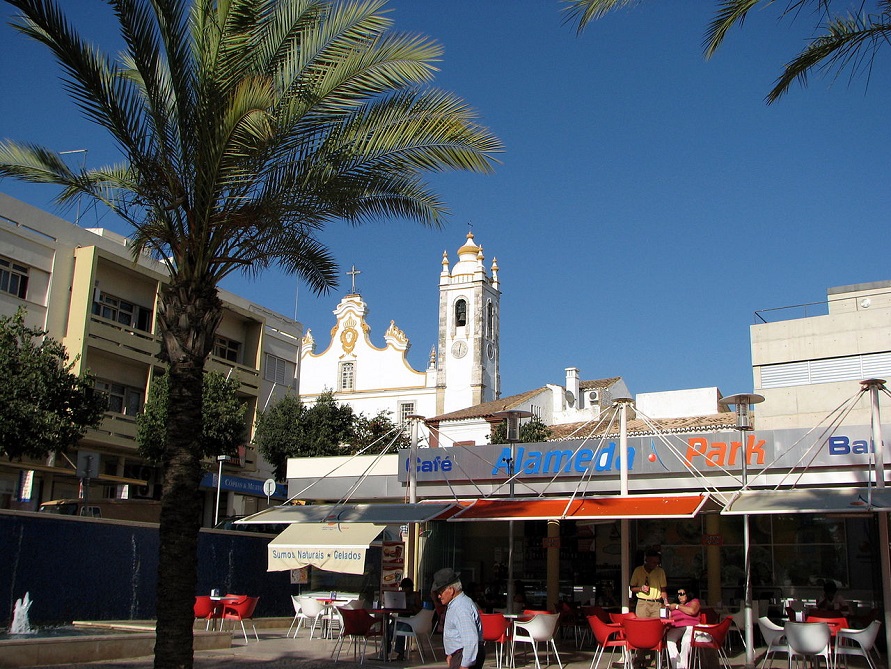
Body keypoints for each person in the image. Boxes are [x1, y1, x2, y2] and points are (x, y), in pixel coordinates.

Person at [431, 567, 484, 669]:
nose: (439, 596)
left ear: (451, 590)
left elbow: (470, 640)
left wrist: (464, 665)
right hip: (460, 654)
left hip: (464, 656)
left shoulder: (461, 608)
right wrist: (452, 654)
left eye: (440, 592)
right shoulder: (457, 604)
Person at [666, 586, 703, 669]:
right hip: (677, 627)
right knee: (669, 639)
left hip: (691, 626)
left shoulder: (694, 601)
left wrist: (677, 606)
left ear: (688, 594)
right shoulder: (674, 605)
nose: (679, 596)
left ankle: (683, 667)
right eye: (678, 594)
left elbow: (692, 611)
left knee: (686, 640)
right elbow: (669, 616)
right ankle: (677, 666)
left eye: (682, 594)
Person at [630, 548, 669, 618]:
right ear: (647, 560)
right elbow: (632, 588)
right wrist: (641, 589)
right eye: (653, 562)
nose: (655, 565)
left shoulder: (660, 571)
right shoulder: (638, 570)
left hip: (657, 603)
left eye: (657, 563)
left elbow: (663, 590)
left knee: (656, 623)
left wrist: (666, 603)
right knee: (642, 623)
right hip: (643, 603)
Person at [390, 577, 422, 660]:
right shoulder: (400, 595)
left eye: (405, 588)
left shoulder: (415, 596)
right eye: (402, 588)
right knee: (388, 628)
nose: (404, 590)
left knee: (400, 629)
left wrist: (411, 606)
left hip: (412, 622)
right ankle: (387, 649)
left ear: (410, 588)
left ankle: (400, 653)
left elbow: (419, 610)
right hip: (401, 619)